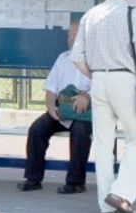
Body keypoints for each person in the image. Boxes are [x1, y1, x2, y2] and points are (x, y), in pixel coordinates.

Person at [71, 0, 136, 213]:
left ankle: (106, 204)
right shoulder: (132, 14)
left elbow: (76, 57)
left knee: (103, 143)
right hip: (125, 80)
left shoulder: (90, 15)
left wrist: (95, 75)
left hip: (98, 80)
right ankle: (121, 193)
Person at [18, 15, 92, 193]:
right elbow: (51, 89)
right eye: (69, 35)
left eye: (75, 35)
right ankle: (33, 179)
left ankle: (75, 182)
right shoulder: (63, 58)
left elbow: (102, 87)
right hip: (63, 108)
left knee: (80, 132)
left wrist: (88, 97)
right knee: (37, 129)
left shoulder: (96, 60)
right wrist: (51, 107)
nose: (70, 39)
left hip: (86, 111)